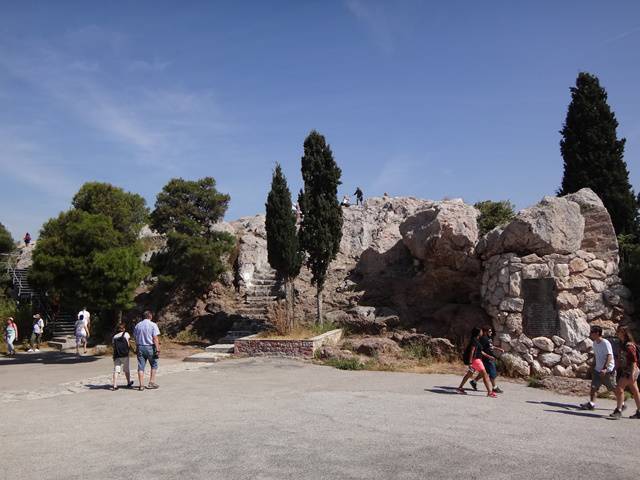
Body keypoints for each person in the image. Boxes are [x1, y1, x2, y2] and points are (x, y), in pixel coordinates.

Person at [580, 325, 620, 410]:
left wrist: (605, 368)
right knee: (594, 387)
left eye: (592, 332)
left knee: (613, 387)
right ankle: (591, 404)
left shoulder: (605, 343)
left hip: (608, 370)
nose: (590, 334)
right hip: (597, 369)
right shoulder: (594, 343)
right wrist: (593, 366)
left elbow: (609, 356)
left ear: (597, 333)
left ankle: (621, 403)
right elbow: (596, 355)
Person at [457, 327, 497, 398]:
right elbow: (472, 351)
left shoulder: (476, 340)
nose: (482, 332)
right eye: (481, 331)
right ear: (478, 333)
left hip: (476, 360)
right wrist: (470, 362)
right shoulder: (474, 341)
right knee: (485, 374)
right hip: (476, 360)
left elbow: (480, 351)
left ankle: (460, 388)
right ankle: (490, 392)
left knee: (469, 374)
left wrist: (489, 356)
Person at [610, 326, 640, 419]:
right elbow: (620, 358)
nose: (617, 333)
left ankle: (618, 410)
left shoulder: (629, 346)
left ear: (624, 333)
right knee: (635, 391)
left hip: (629, 370)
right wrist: (615, 367)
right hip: (626, 370)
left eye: (619, 331)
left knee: (619, 389)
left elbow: (634, 361)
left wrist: (632, 373)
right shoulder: (622, 344)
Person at [470, 325, 505, 394]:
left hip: (489, 357)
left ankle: (474, 381)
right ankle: (494, 387)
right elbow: (480, 349)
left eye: (491, 331)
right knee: (493, 373)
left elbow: (490, 346)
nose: (491, 332)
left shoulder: (488, 338)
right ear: (485, 332)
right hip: (487, 358)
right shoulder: (483, 339)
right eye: (489, 331)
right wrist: (488, 356)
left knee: (486, 372)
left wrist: (498, 349)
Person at [133, 310, 161, 391]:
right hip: (150, 347)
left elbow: (135, 337)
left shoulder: (138, 325)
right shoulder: (153, 325)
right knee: (154, 364)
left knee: (141, 366)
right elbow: (155, 338)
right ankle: (151, 382)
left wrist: (137, 346)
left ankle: (141, 385)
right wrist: (158, 349)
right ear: (150, 316)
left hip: (140, 347)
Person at [111, 322, 134, 391]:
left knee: (116, 370)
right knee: (126, 369)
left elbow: (113, 347)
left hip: (117, 355)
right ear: (123, 328)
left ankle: (114, 385)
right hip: (125, 355)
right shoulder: (126, 334)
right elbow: (129, 345)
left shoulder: (114, 337)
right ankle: (128, 382)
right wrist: (134, 351)